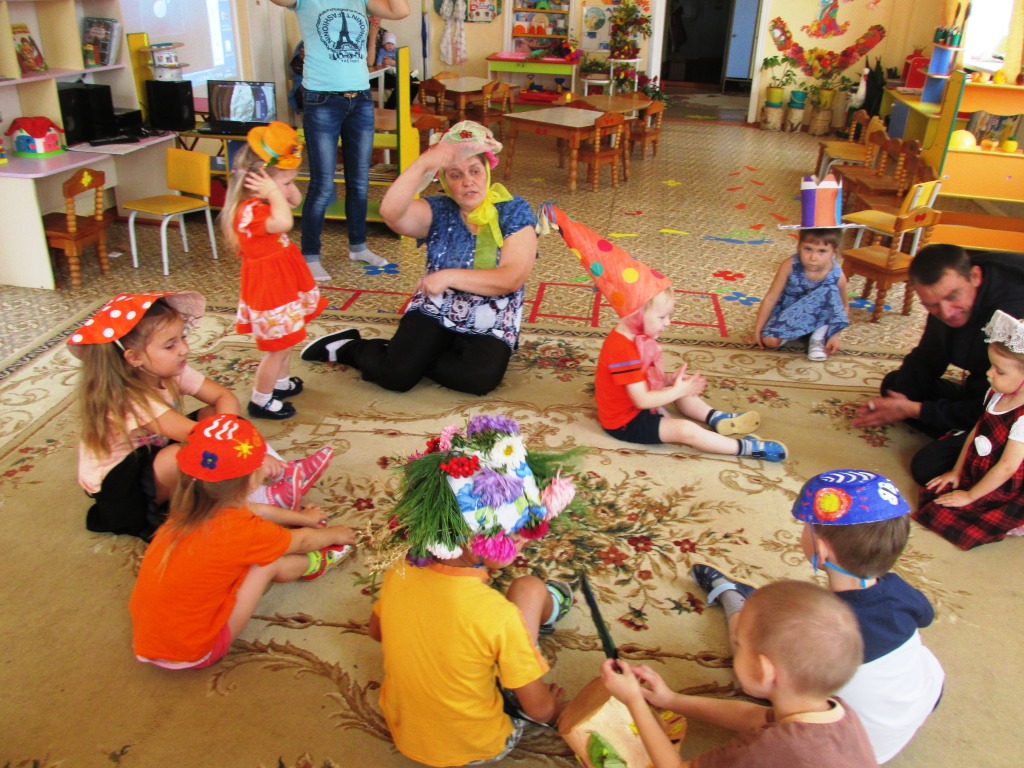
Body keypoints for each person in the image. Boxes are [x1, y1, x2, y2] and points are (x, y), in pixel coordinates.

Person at [368, 414, 580, 766]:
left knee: (514, 602)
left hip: (404, 727)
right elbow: (540, 710)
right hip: (479, 742)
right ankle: (548, 610)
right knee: (528, 588)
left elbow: (376, 632)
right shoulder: (496, 615)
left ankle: (523, 633)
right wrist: (554, 707)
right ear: (474, 541)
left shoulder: (399, 571)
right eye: (515, 533)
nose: (526, 540)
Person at [690, 470, 944, 764]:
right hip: (915, 706)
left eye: (807, 527)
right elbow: (925, 618)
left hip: (843, 742)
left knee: (755, 636)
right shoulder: (898, 589)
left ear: (820, 550)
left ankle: (732, 596)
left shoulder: (819, 625)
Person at [69, 291, 334, 541]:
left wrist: (232, 434)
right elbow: (197, 437)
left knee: (217, 419)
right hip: (123, 491)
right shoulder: (128, 398)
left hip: (151, 452)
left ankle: (285, 473)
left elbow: (224, 398)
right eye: (170, 345)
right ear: (134, 358)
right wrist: (250, 457)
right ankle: (262, 497)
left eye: (182, 338)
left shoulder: (169, 370)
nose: (184, 349)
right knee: (183, 455)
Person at [301, 121, 536, 396]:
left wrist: (448, 276)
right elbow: (391, 213)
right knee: (395, 377)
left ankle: (412, 357)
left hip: (492, 315)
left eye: (474, 170)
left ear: (487, 171)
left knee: (478, 379)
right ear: (445, 182)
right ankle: (350, 347)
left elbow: (511, 278)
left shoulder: (513, 210)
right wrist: (425, 162)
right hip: (437, 307)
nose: (467, 181)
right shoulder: (438, 210)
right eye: (455, 175)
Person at [543, 204, 786, 462]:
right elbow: (642, 400)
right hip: (626, 422)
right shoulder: (622, 349)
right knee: (685, 430)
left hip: (639, 402)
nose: (668, 323)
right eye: (661, 317)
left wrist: (670, 381)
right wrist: (676, 390)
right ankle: (745, 447)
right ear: (636, 315)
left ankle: (716, 417)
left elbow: (644, 379)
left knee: (681, 391)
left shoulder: (637, 337)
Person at [129, 415, 356, 670]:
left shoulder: (189, 509)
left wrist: (302, 518)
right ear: (252, 480)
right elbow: (302, 541)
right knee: (266, 563)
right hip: (195, 650)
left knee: (238, 559)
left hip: (147, 640)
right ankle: (317, 563)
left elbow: (256, 510)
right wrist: (335, 534)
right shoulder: (244, 530)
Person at [600, 580, 877, 768]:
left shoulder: (766, 750)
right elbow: (752, 717)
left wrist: (635, 701)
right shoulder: (837, 713)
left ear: (764, 671)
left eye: (739, 644)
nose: (734, 647)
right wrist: (671, 700)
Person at [851, 244, 1024, 486]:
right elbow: (928, 355)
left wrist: (914, 410)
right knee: (896, 385)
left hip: (1014, 408)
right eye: (932, 305)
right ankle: (956, 428)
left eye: (953, 297)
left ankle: (962, 434)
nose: (946, 312)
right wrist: (900, 400)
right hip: (984, 387)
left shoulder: (1013, 311)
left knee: (928, 466)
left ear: (975, 276)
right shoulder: (950, 293)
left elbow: (994, 404)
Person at [269, 0, 411, 283]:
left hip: (360, 99)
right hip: (322, 100)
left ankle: (358, 247)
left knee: (359, 183)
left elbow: (401, 10)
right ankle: (310, 256)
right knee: (322, 185)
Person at [218, 121, 327, 420]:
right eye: (286, 182)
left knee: (287, 339)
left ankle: (279, 383)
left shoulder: (267, 199)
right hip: (270, 288)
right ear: (258, 183)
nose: (290, 189)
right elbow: (285, 222)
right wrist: (274, 191)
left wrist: (282, 186)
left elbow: (296, 200)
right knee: (276, 348)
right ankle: (261, 399)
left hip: (282, 279)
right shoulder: (249, 212)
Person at [915, 310, 1024, 549]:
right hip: (981, 467)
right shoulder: (995, 393)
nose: (989, 374)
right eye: (991, 366)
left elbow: (1006, 468)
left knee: (960, 523)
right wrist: (956, 471)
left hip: (1003, 484)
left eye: (999, 371)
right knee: (937, 491)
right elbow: (976, 431)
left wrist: (971, 496)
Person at [750, 227, 849, 361]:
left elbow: (843, 306)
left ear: (834, 252)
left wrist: (835, 336)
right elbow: (771, 298)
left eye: (822, 251)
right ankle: (798, 333)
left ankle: (817, 338)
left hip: (820, 316)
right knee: (769, 341)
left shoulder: (837, 274)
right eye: (808, 249)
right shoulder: (789, 264)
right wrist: (757, 331)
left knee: (830, 290)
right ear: (799, 247)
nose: (813, 258)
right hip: (791, 312)